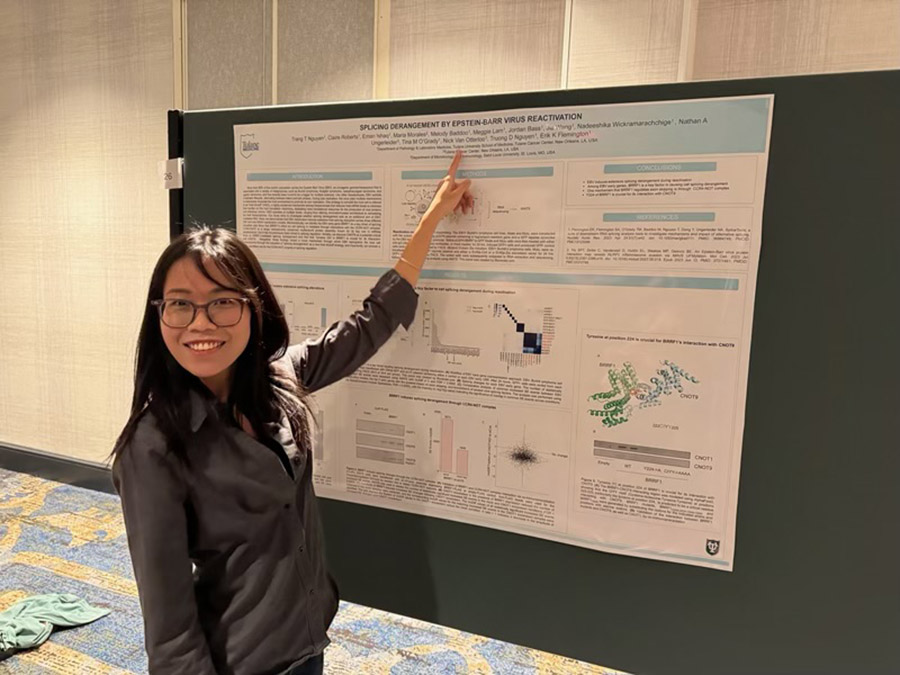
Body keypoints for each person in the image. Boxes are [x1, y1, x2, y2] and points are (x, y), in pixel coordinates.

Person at [111, 152, 473, 675]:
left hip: (306, 634)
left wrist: (431, 220)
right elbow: (169, 629)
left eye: (222, 301)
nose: (200, 323)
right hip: (243, 660)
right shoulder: (152, 446)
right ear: (160, 314)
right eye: (180, 303)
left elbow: (368, 325)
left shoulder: (279, 379)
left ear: (253, 307)